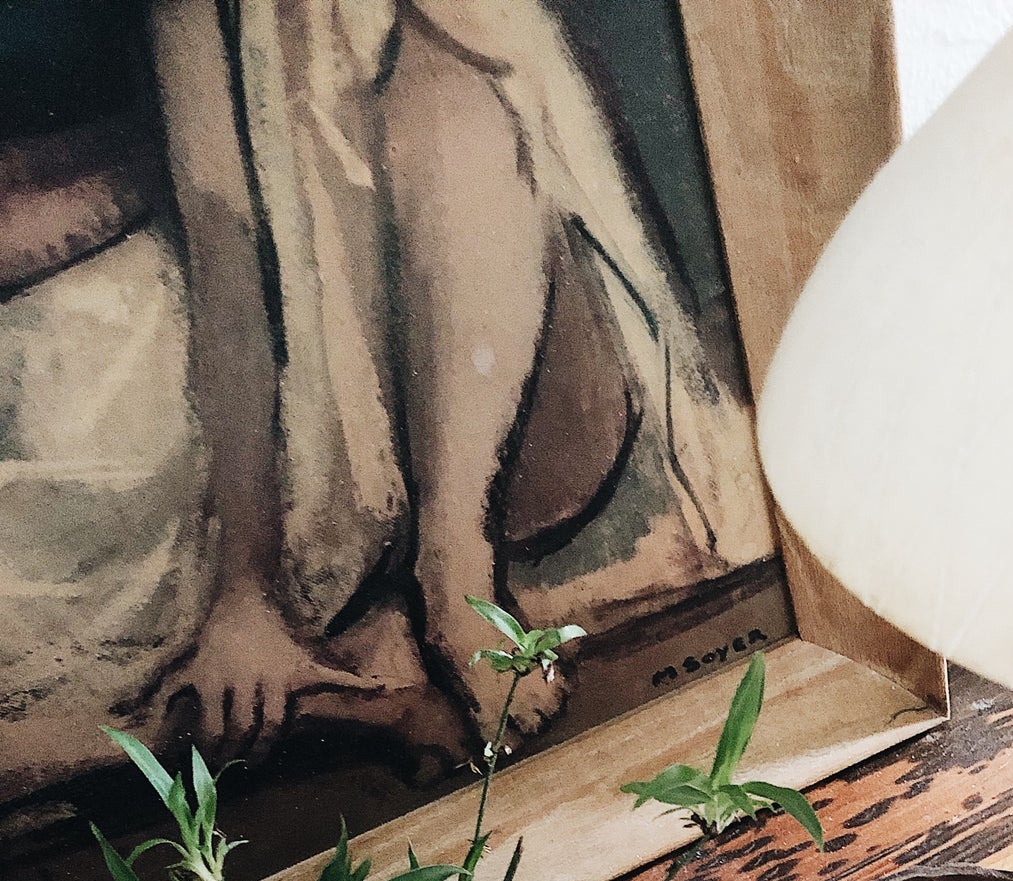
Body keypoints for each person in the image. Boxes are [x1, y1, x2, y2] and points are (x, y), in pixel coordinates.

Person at [0, 0, 773, 804]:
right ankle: (345, 680)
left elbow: (234, 212)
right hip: (172, 350)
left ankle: (448, 580)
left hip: (416, 364)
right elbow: (208, 217)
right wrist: (245, 593)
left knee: (426, 77)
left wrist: (264, 583)